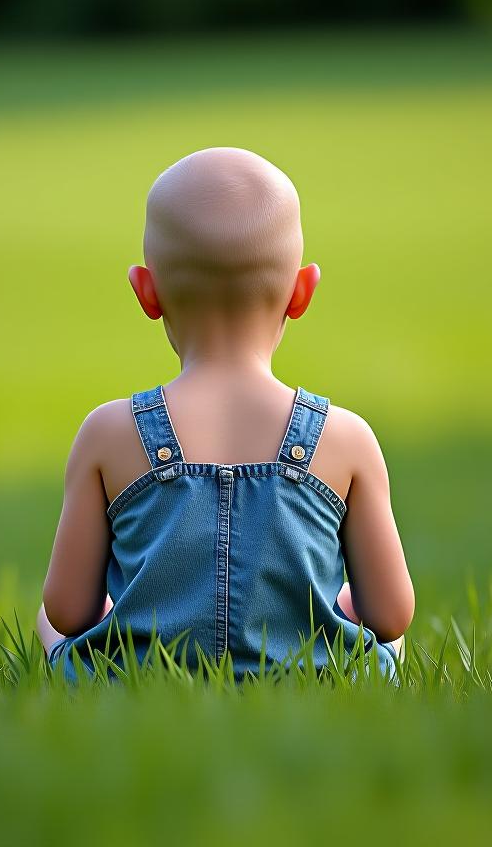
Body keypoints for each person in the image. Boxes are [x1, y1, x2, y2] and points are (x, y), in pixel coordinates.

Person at [37, 147, 414, 680]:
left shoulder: (108, 433)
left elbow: (68, 612)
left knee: (46, 627)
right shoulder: (346, 438)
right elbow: (392, 615)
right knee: (379, 647)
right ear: (301, 292)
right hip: (311, 680)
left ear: (147, 292)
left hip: (141, 681)